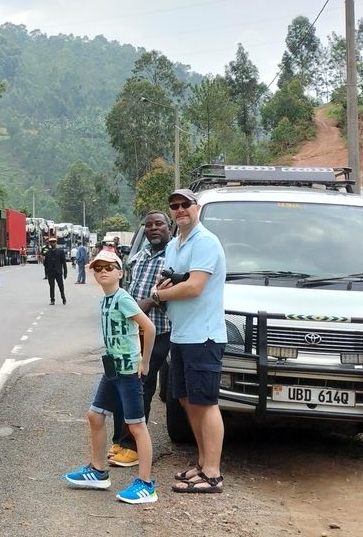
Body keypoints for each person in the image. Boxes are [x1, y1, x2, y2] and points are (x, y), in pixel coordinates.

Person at [63, 248, 157, 504]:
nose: (103, 272)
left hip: (128, 372)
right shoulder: (106, 299)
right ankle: (98, 469)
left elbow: (148, 327)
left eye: (109, 268)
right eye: (98, 268)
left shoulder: (123, 298)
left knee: (136, 426)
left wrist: (144, 361)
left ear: (120, 272)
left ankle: (146, 484)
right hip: (112, 370)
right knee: (95, 415)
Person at [153, 188, 227, 494]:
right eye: (175, 205)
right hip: (181, 334)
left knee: (206, 403)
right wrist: (164, 287)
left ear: (197, 207)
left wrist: (158, 295)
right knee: (186, 399)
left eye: (186, 204)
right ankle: (201, 463)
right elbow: (168, 279)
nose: (180, 209)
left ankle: (213, 473)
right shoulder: (175, 244)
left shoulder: (205, 242)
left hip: (203, 336)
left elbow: (195, 287)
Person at [108, 210, 172, 469]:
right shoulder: (140, 256)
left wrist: (145, 304)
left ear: (169, 227)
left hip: (156, 331)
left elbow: (166, 294)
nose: (153, 228)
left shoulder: (174, 256)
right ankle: (120, 441)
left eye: (159, 224)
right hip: (129, 332)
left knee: (141, 386)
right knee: (120, 383)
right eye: (149, 225)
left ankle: (134, 447)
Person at [42, 236, 67, 305]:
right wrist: (47, 272)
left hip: (58, 272)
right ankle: (52, 300)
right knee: (51, 287)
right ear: (49, 243)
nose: (52, 243)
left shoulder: (60, 252)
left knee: (61, 286)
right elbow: (45, 263)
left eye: (53, 242)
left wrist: (65, 273)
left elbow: (64, 263)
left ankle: (63, 297)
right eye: (51, 242)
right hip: (51, 272)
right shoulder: (47, 253)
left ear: (56, 243)